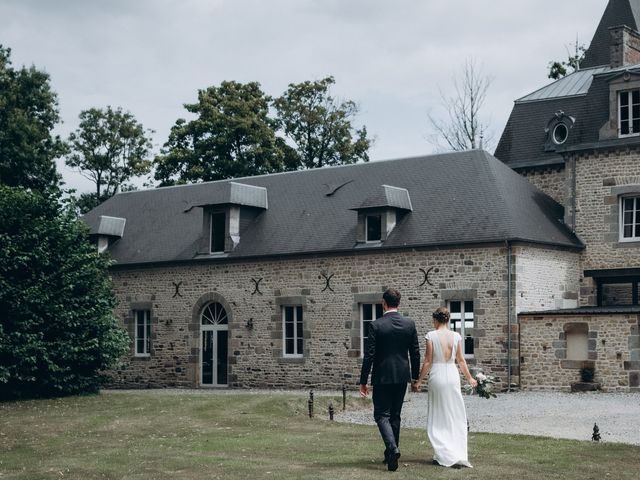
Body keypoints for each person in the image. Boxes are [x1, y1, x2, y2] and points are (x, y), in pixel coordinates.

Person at [359, 288, 421, 472]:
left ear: (383, 303)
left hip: (382, 376)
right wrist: (415, 377)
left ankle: (393, 449)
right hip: (402, 376)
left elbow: (369, 356)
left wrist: (363, 380)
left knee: (381, 415)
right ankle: (390, 455)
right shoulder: (409, 324)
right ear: (398, 303)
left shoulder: (376, 325)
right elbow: (415, 353)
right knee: (395, 415)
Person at [415, 306, 477, 468]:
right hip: (452, 375)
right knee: (454, 413)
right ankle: (455, 452)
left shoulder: (431, 336)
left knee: (438, 414)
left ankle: (442, 453)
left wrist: (419, 381)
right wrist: (469, 378)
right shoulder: (456, 336)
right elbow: (461, 360)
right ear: (448, 320)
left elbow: (428, 362)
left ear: (436, 320)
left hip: (437, 375)